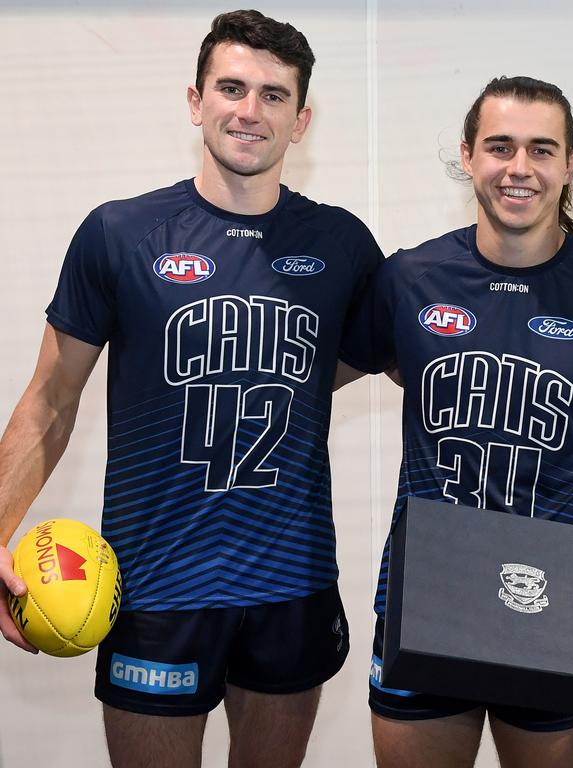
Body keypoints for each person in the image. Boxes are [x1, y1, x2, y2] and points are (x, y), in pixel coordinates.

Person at [0, 10, 382, 767]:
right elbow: (51, 399)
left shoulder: (341, 244)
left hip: (291, 580)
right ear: (195, 99)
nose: (250, 110)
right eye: (232, 87)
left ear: (301, 120)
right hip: (155, 582)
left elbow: (417, 357)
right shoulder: (121, 232)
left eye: (274, 95)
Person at [339, 75, 573, 768]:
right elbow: (333, 372)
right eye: (500, 146)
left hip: (557, 607)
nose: (519, 167)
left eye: (541, 149)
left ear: (569, 164)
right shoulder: (410, 279)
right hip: (425, 598)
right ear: (468, 155)